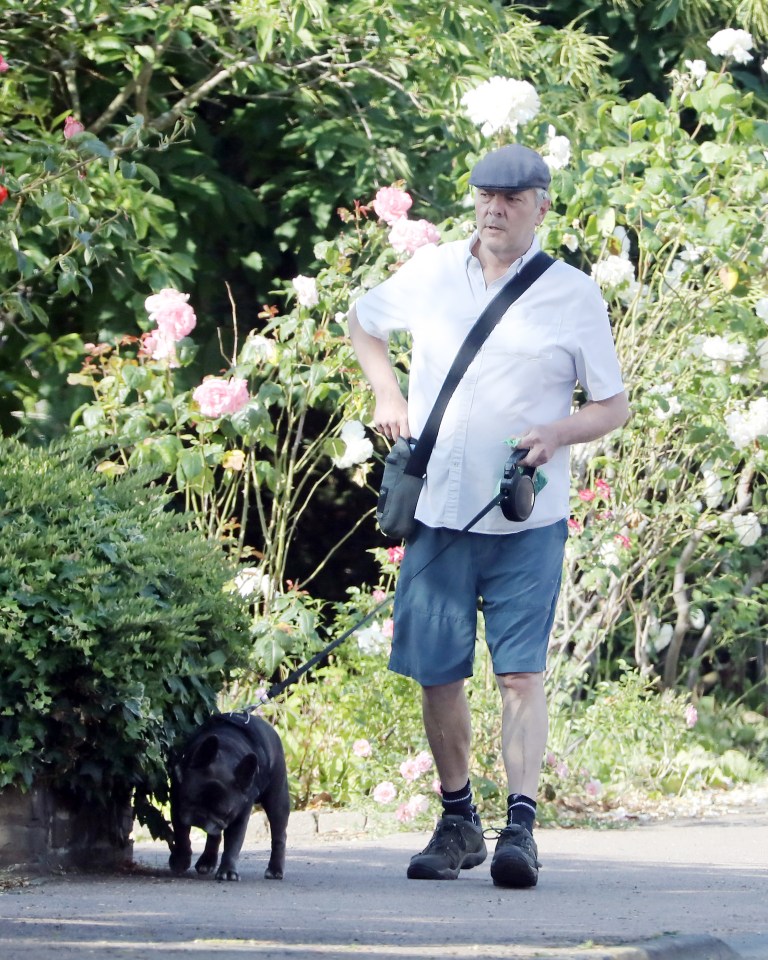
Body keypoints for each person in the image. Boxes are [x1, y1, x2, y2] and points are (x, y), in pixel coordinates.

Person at [347, 143, 629, 887]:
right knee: (437, 673)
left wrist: (557, 434)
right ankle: (457, 820)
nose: (495, 209)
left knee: (519, 675)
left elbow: (612, 405)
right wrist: (386, 393)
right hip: (439, 512)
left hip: (526, 520)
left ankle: (522, 828)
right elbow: (361, 321)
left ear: (541, 204)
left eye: (511, 198)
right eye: (484, 196)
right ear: (473, 200)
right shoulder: (434, 273)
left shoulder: (574, 295)